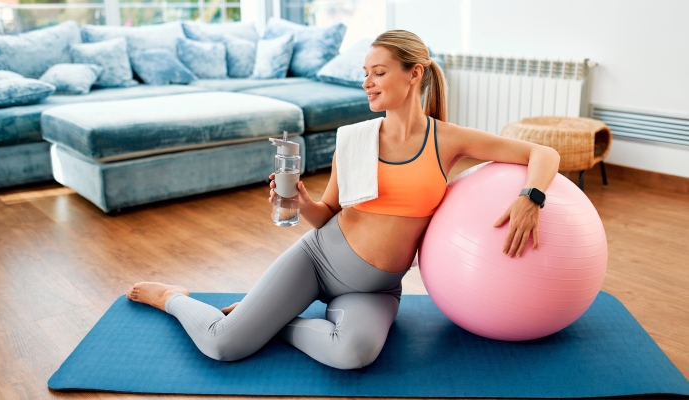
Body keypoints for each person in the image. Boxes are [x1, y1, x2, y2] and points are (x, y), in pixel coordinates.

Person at [126, 30, 560, 370]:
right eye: (365, 73)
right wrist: (300, 200)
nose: (366, 82)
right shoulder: (354, 139)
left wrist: (531, 197)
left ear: (415, 74)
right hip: (317, 261)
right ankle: (172, 297)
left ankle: (269, 319)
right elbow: (325, 215)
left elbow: (543, 153)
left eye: (378, 72)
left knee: (353, 355)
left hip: (375, 289)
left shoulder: (448, 140)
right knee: (222, 344)